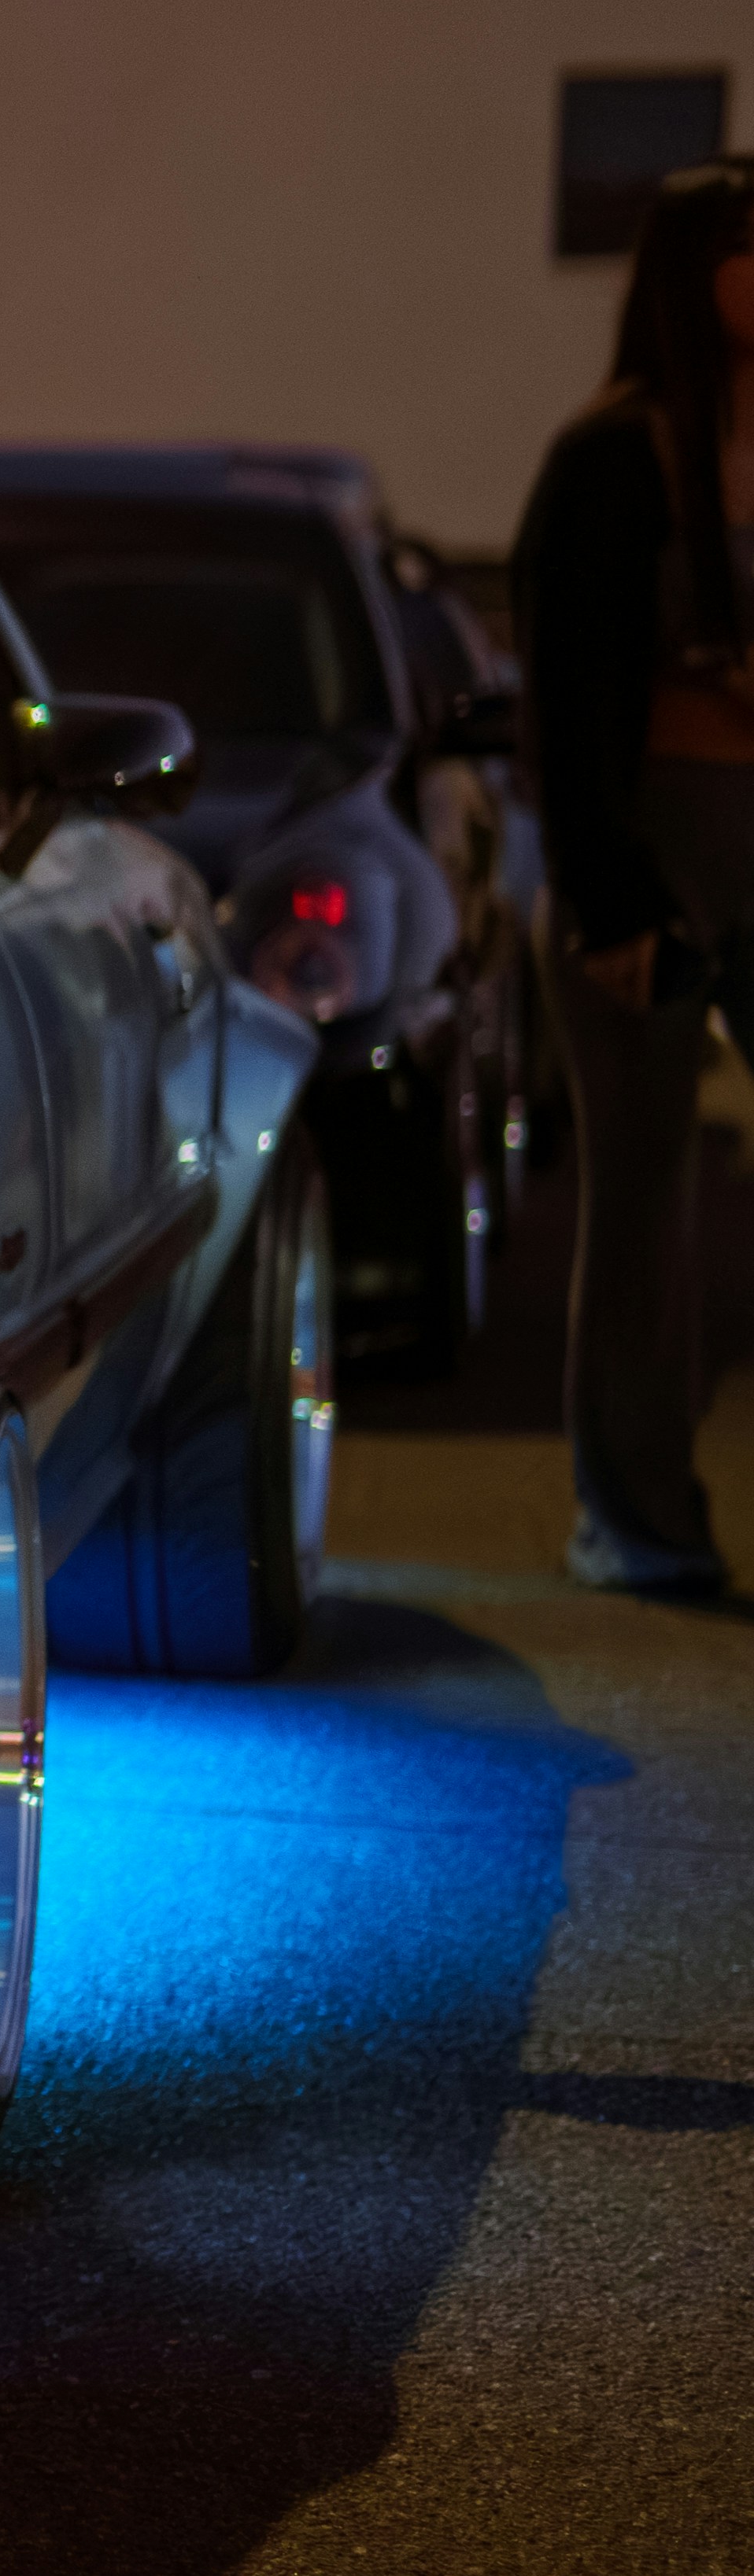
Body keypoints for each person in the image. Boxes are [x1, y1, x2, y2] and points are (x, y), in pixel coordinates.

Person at [519, 153, 754, 1597]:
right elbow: (565, 695)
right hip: (648, 848)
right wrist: (609, 900)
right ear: (695, 269)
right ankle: (641, 1511)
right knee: (642, 1190)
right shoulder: (614, 455)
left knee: (657, 1187)